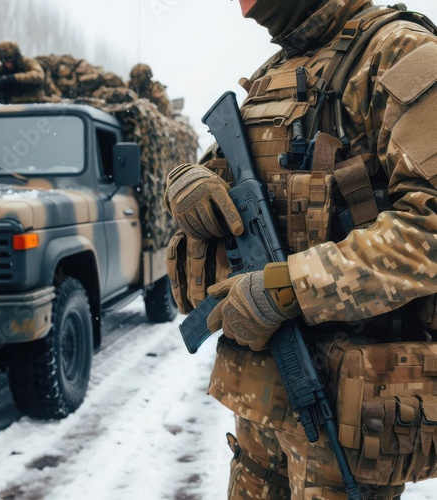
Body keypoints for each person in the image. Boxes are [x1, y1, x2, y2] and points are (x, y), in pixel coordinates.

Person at [164, 0, 437, 498]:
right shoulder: (276, 70)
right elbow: (228, 167)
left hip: (347, 409)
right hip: (262, 396)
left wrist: (286, 289)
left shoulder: (399, 52)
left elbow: (430, 226)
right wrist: (187, 180)